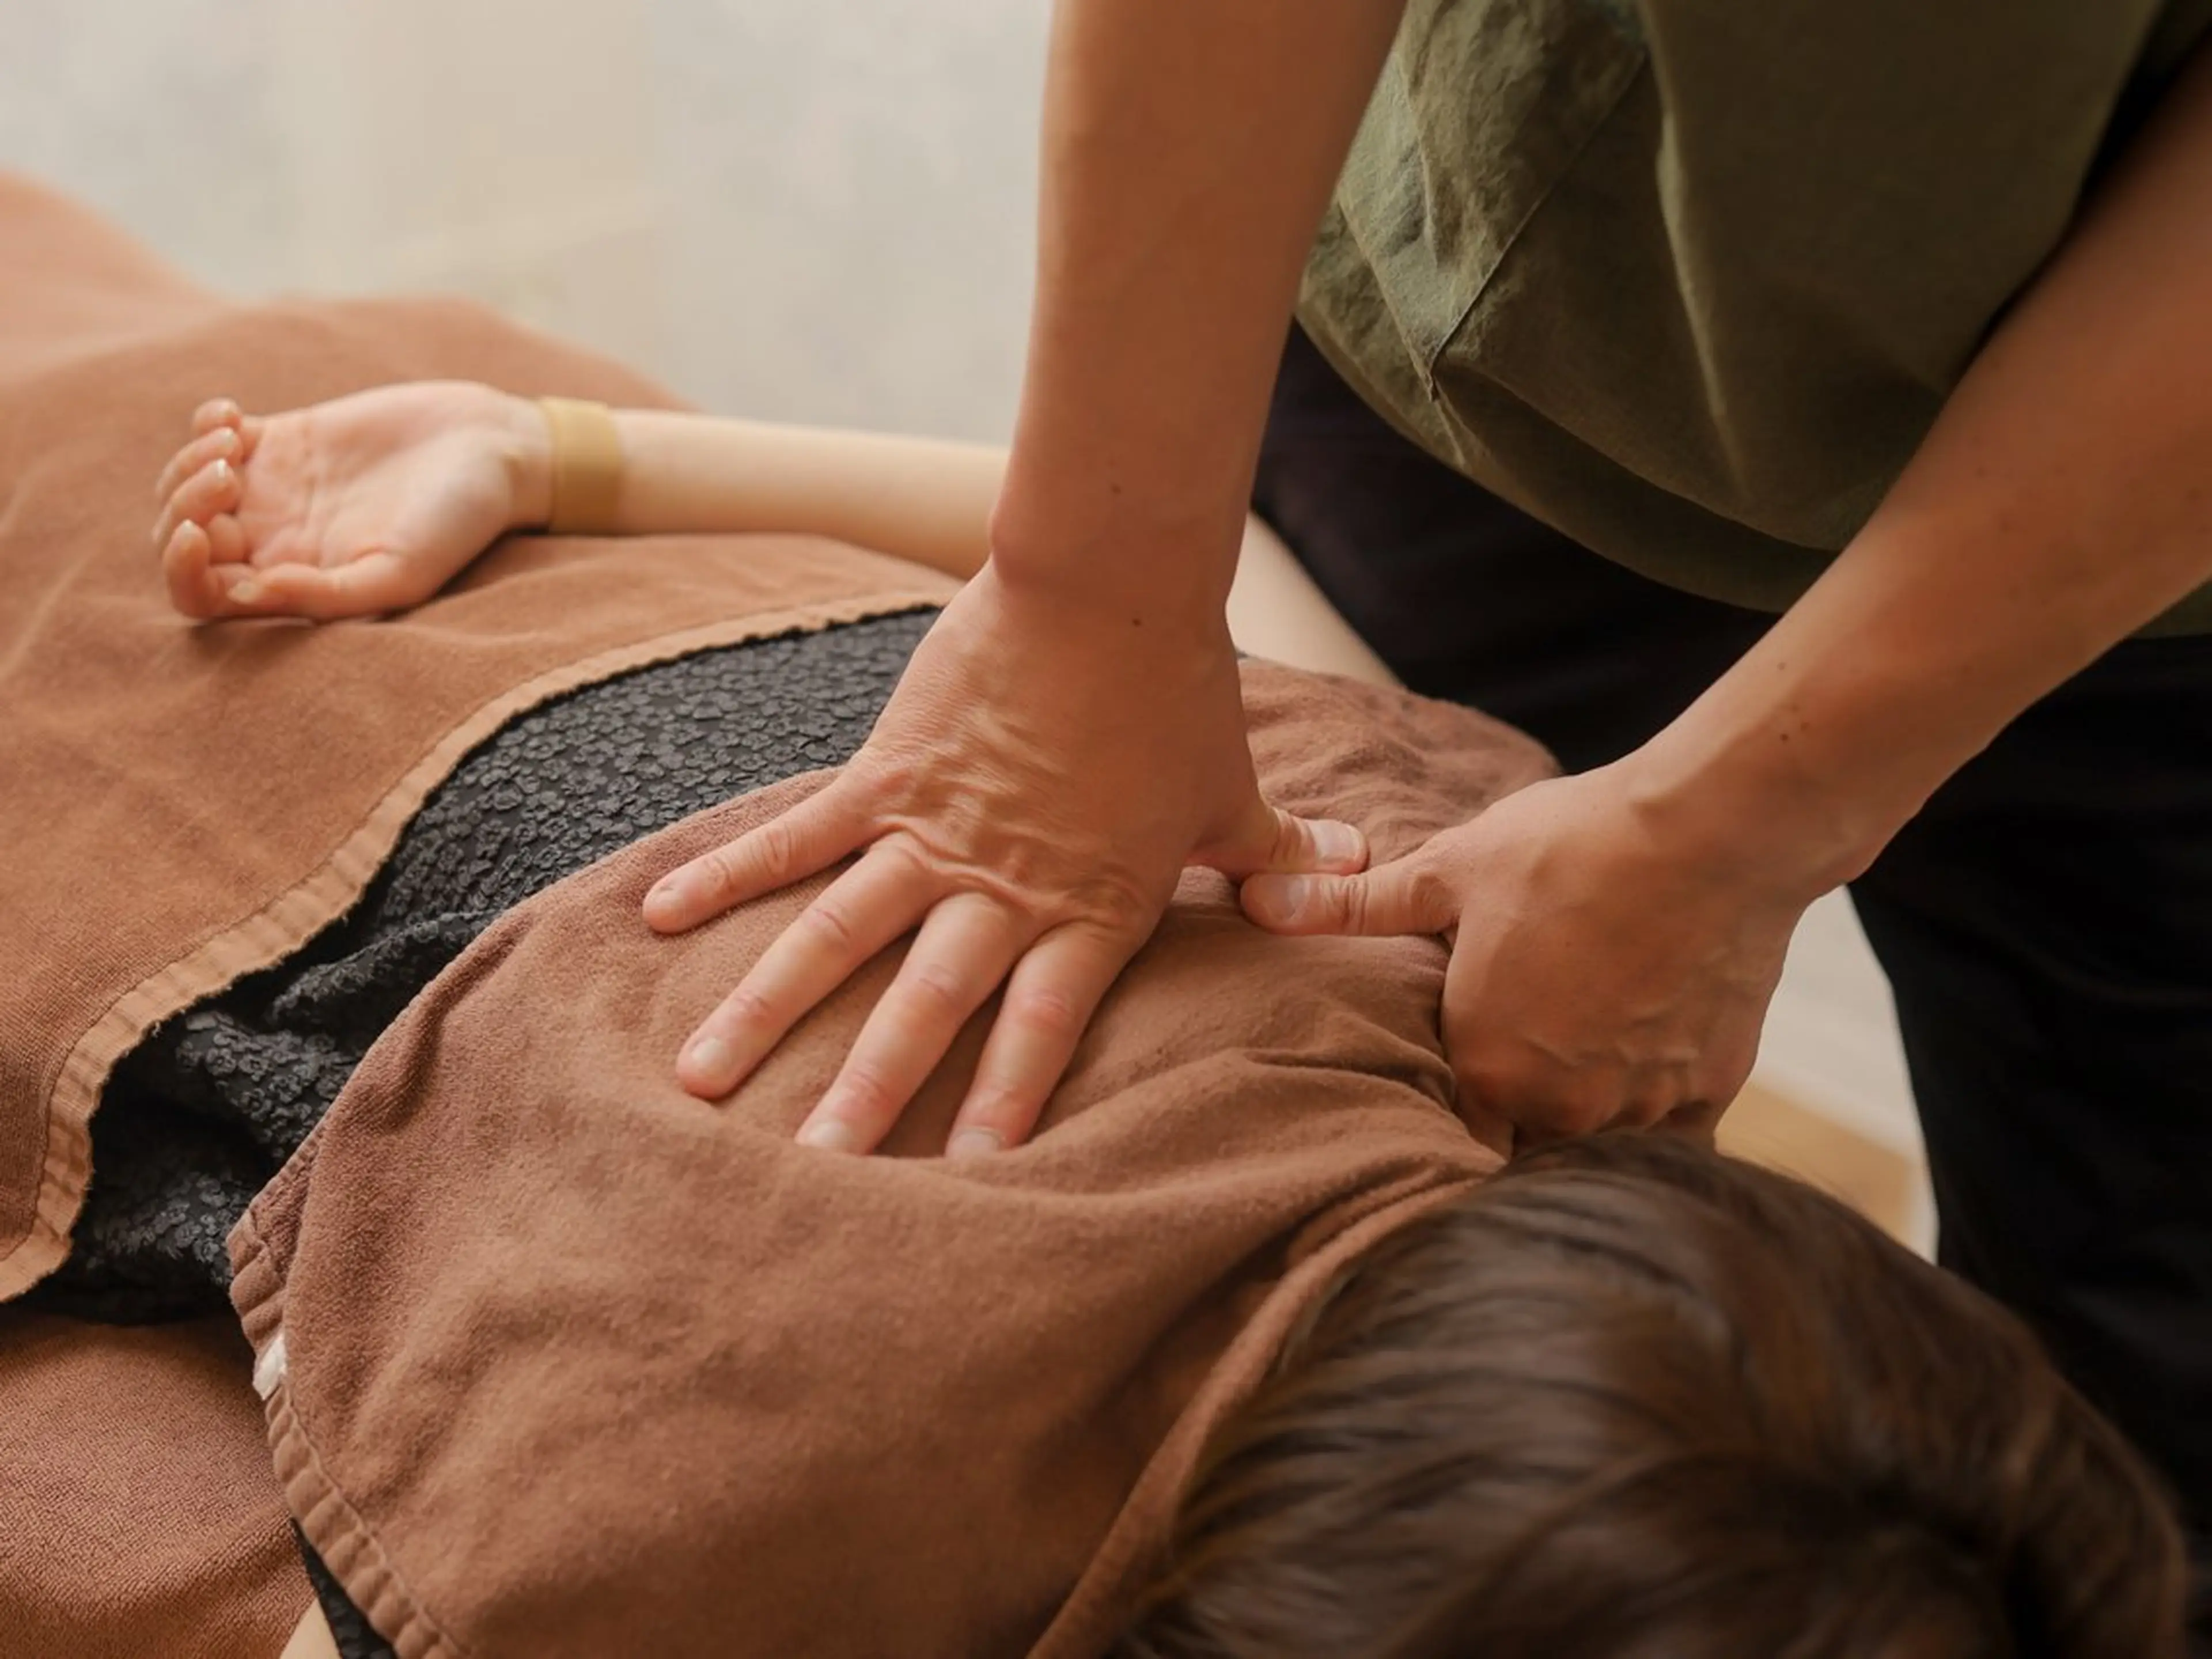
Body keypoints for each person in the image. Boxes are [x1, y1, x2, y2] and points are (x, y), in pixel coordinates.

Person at [135, 383, 2185, 1659]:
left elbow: (1257, 569)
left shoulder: (1470, 917)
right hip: (360, 740)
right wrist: (541, 453)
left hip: (599, 584)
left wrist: (558, 445)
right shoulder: (692, 1490)